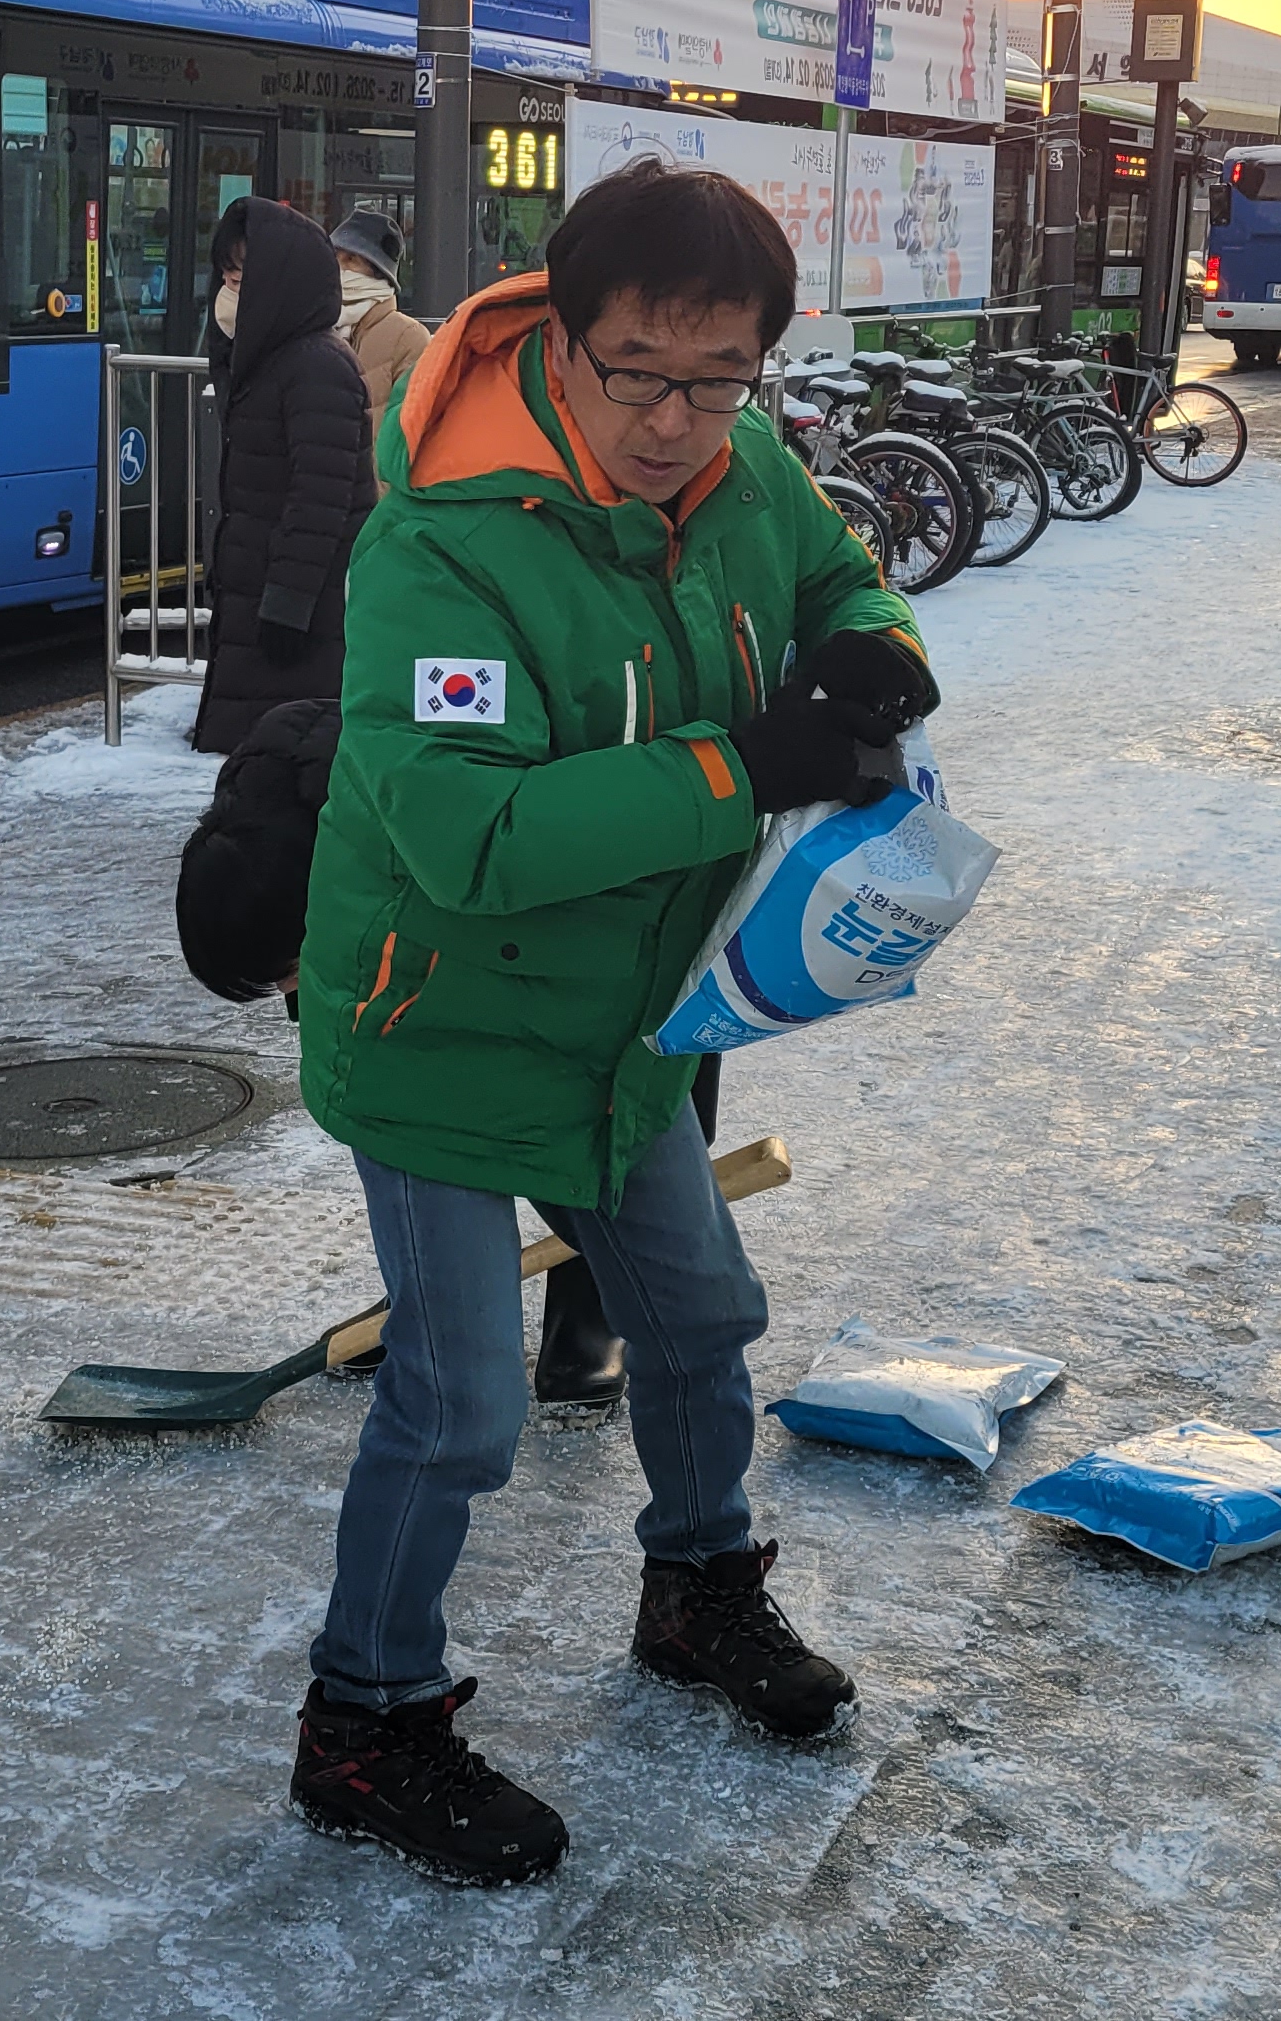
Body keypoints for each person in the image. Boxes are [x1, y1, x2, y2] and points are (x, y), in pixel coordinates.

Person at [288, 156, 932, 1886]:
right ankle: (365, 1717)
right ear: (558, 340)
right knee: (459, 1403)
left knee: (703, 1311)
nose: (674, 419)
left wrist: (875, 645)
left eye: (720, 379)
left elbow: (832, 574)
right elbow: (470, 835)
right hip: (434, 1031)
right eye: (637, 368)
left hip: (627, 1027)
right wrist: (744, 767)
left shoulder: (743, 471)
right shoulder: (441, 546)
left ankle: (697, 1588)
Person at [192, 199, 377, 754]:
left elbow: (319, 500)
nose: (229, 291)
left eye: (242, 278)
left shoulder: (315, 366)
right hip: (270, 606)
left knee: (287, 767)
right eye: (224, 276)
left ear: (280, 282)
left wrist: (285, 606)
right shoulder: (270, 361)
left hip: (300, 618)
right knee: (265, 766)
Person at [330, 208, 434, 415]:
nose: (339, 268)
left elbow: (410, 421)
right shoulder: (318, 325)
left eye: (351, 260)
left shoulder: (408, 337)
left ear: (378, 272)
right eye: (334, 257)